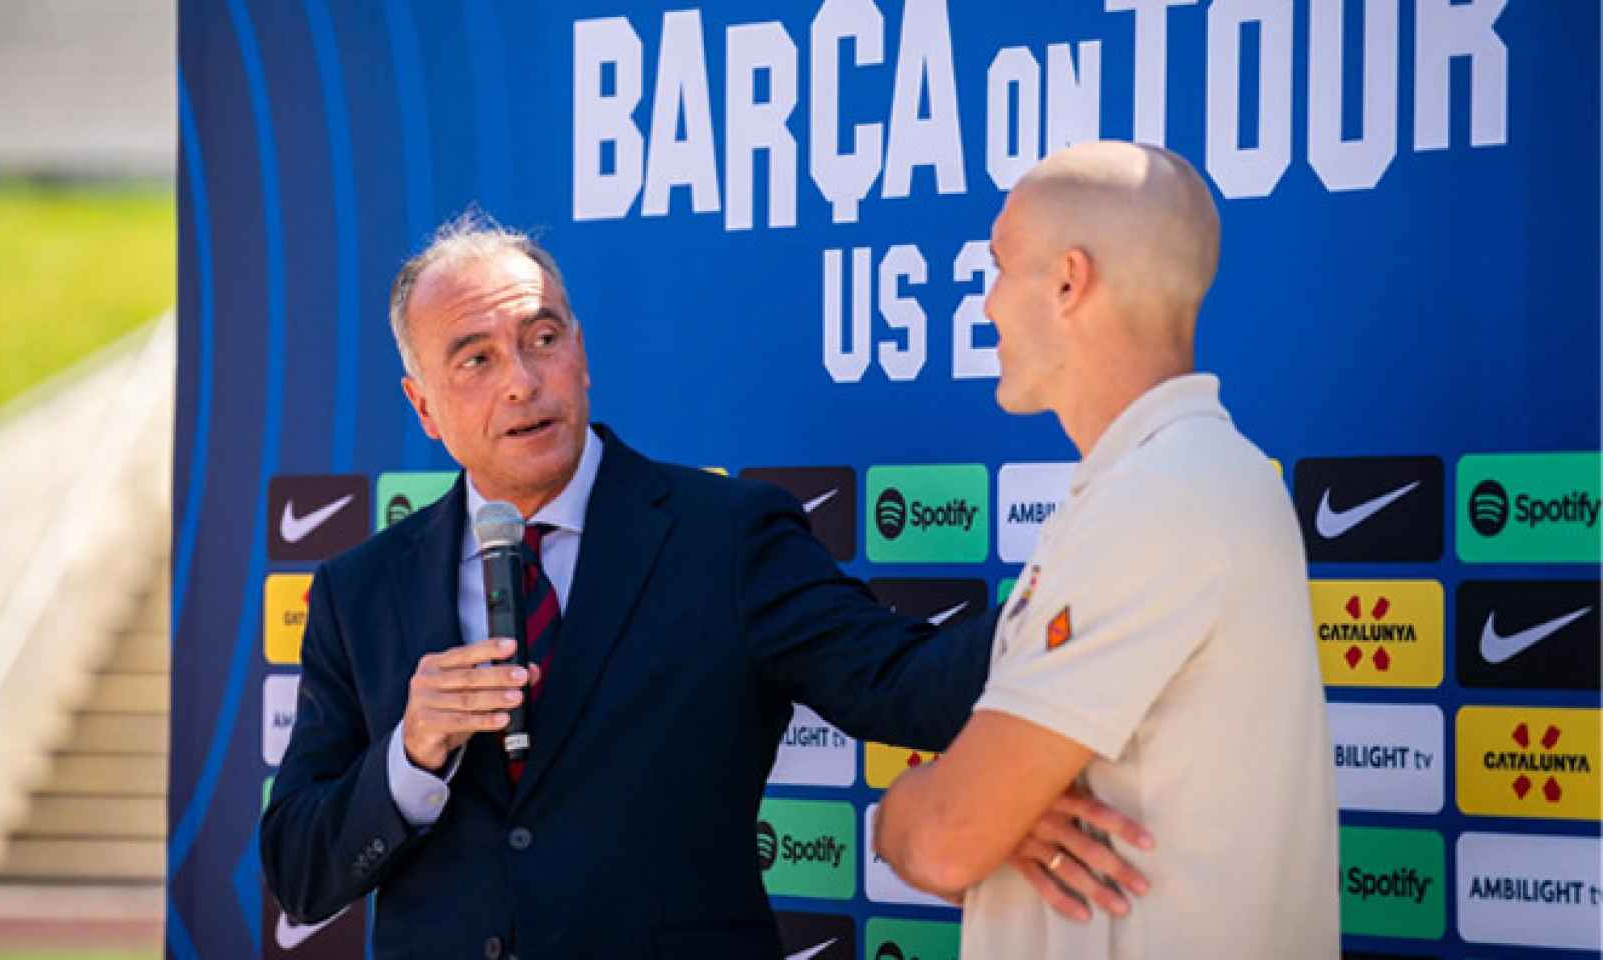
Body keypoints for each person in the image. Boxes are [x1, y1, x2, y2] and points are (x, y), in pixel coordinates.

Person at [259, 212, 1152, 958]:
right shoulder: (358, 592)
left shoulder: (724, 536)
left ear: (582, 352)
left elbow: (907, 689)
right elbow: (301, 870)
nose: (524, 382)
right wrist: (411, 754)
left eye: (542, 337)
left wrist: (1081, 572)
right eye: (477, 360)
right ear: (424, 407)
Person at [873, 141, 1339, 958]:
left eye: (999, 266)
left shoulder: (1164, 493)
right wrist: (986, 815)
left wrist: (904, 808)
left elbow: (945, 840)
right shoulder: (1187, 476)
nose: (985, 306)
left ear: (1067, 281)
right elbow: (974, 829)